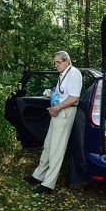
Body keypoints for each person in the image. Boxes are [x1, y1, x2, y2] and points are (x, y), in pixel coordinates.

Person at [23, 51, 82, 194]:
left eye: (58, 62)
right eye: (55, 62)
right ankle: (38, 175)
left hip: (65, 112)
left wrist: (57, 107)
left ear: (67, 61)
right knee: (48, 145)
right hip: (58, 110)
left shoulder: (74, 74)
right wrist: (53, 96)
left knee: (57, 148)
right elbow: (64, 94)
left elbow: (74, 97)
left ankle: (48, 184)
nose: (56, 65)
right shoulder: (63, 74)